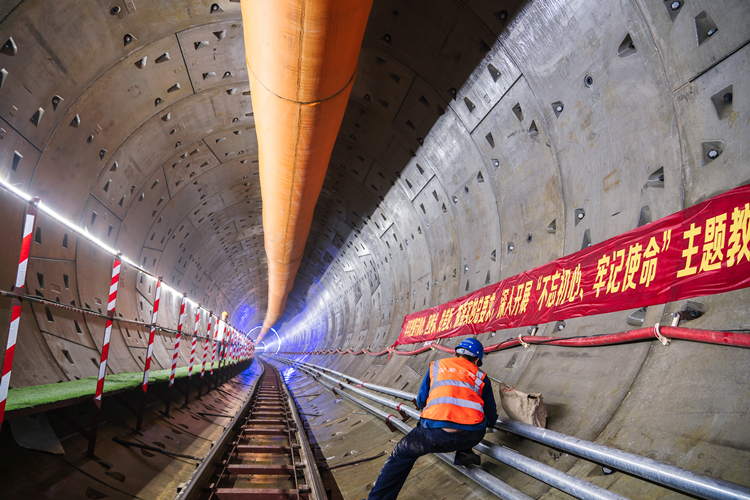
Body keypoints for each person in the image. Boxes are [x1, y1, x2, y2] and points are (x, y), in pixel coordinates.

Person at [367, 338, 498, 500]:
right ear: (477, 360)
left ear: (456, 353)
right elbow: (491, 417)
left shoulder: (437, 366)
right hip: (473, 436)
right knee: (469, 419)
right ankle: (465, 451)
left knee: (401, 454)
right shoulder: (481, 376)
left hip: (435, 436)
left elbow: (421, 401)